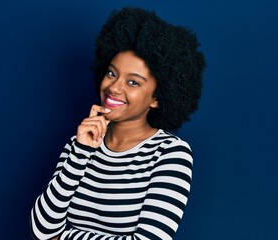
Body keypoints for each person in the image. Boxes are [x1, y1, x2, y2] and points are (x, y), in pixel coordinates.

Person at [30, 7, 205, 240]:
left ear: (156, 98)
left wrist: (65, 237)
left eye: (133, 82)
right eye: (112, 74)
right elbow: (41, 231)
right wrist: (81, 153)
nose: (114, 88)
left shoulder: (170, 154)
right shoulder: (79, 143)